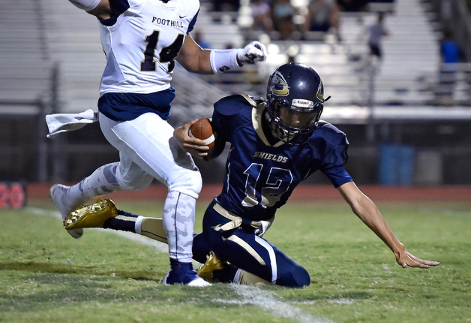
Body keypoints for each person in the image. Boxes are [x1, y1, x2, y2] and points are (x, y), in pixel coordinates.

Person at [49, 0, 267, 287]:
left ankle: (69, 196)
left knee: (132, 179)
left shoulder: (183, 2)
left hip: (153, 110)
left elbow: (196, 58)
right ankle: (180, 272)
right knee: (186, 179)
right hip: (124, 108)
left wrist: (239, 56)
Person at [62, 63, 440, 287]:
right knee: (296, 279)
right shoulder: (239, 115)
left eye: (305, 115)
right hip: (225, 219)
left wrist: (397, 246)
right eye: (290, 113)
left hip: (256, 226)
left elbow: (358, 198)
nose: (297, 122)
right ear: (273, 104)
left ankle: (113, 217)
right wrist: (180, 134)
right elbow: (201, 135)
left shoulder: (322, 141)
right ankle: (222, 274)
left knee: (192, 244)